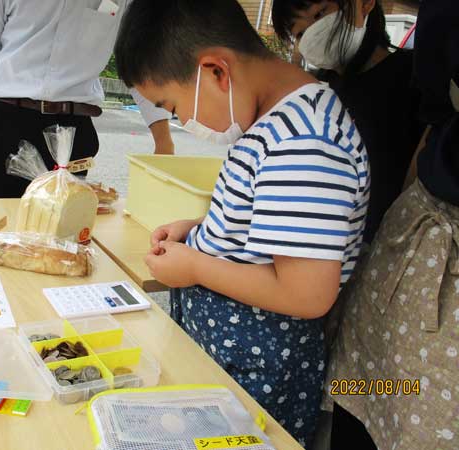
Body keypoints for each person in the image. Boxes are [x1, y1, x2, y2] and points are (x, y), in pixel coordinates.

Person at [114, 0, 369, 447]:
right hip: (230, 353)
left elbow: (306, 293)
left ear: (215, 71)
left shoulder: (304, 143)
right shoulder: (270, 118)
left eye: (172, 106)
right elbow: (267, 217)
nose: (181, 121)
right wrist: (199, 228)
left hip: (258, 367)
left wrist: (195, 266)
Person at [323, 1, 459, 449]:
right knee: (359, 392)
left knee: (424, 416)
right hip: (414, 234)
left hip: (431, 272)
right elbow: (436, 119)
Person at [0, 0, 174, 199]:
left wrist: (163, 141)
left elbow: (138, 66)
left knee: (61, 222)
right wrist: (8, 90)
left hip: (71, 132)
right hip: (4, 122)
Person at [271, 0, 425, 243]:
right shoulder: (318, 89)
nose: (313, 33)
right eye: (300, 33)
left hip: (393, 241)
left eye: (320, 14)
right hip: (332, 241)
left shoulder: (414, 77)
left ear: (365, 4)